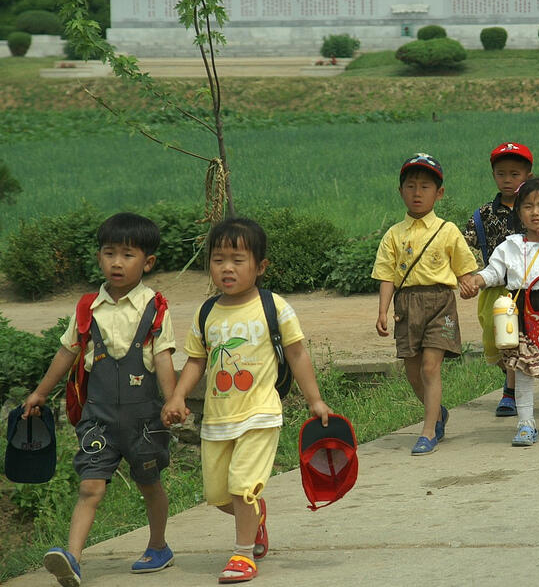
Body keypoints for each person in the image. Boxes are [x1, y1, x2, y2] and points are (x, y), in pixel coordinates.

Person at [163, 218, 332, 584]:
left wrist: (314, 400)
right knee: (217, 495)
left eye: (238, 260)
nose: (227, 268)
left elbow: (298, 354)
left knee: (242, 487)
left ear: (260, 266)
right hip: (217, 419)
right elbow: (196, 360)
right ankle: (255, 515)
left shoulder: (275, 307)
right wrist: (177, 395)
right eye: (218, 259)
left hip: (260, 414)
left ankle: (241, 555)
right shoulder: (206, 312)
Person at [22, 213, 177, 587]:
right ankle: (72, 558)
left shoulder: (155, 307)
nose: (117, 263)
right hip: (98, 419)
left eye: (127, 255)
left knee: (149, 483)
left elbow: (163, 356)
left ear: (148, 262)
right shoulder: (87, 308)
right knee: (90, 486)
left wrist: (173, 400)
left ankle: (158, 547)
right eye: (109, 254)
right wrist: (41, 392)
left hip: (145, 421)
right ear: (99, 259)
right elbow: (66, 353)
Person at [465, 178, 539, 446]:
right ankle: (525, 424)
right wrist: (478, 280)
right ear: (519, 214)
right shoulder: (510, 245)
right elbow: (495, 271)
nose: (535, 212)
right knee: (523, 372)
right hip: (520, 315)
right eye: (528, 206)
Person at [372, 154, 478, 454]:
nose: (417, 193)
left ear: (439, 193)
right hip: (406, 305)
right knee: (413, 372)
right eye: (411, 186)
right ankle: (438, 412)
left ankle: (428, 431)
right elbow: (386, 276)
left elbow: (464, 270)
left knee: (431, 368)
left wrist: (468, 284)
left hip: (440, 303)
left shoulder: (447, 231)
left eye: (425, 187)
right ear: (400, 191)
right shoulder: (394, 234)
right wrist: (382, 310)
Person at [464, 142, 533, 417]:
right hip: (494, 288)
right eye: (502, 173)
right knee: (498, 340)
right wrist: (467, 278)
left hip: (527, 286)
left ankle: (511, 390)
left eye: (515, 174)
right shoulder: (483, 215)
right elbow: (465, 251)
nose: (508, 179)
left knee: (522, 338)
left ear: (527, 175)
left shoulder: (536, 208)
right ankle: (509, 379)